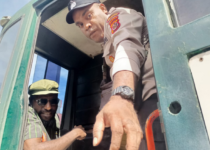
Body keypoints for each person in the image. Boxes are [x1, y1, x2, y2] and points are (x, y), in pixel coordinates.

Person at [66, 0, 166, 150]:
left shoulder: (118, 17)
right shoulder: (107, 41)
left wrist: (121, 96)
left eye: (88, 15)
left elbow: (127, 46)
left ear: (102, 9)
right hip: (139, 109)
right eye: (80, 24)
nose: (85, 26)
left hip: (153, 104)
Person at [24, 79, 86, 150]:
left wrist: (71, 132)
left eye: (54, 101)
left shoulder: (54, 117)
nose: (48, 107)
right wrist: (75, 133)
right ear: (31, 101)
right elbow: (33, 148)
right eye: (42, 101)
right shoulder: (28, 113)